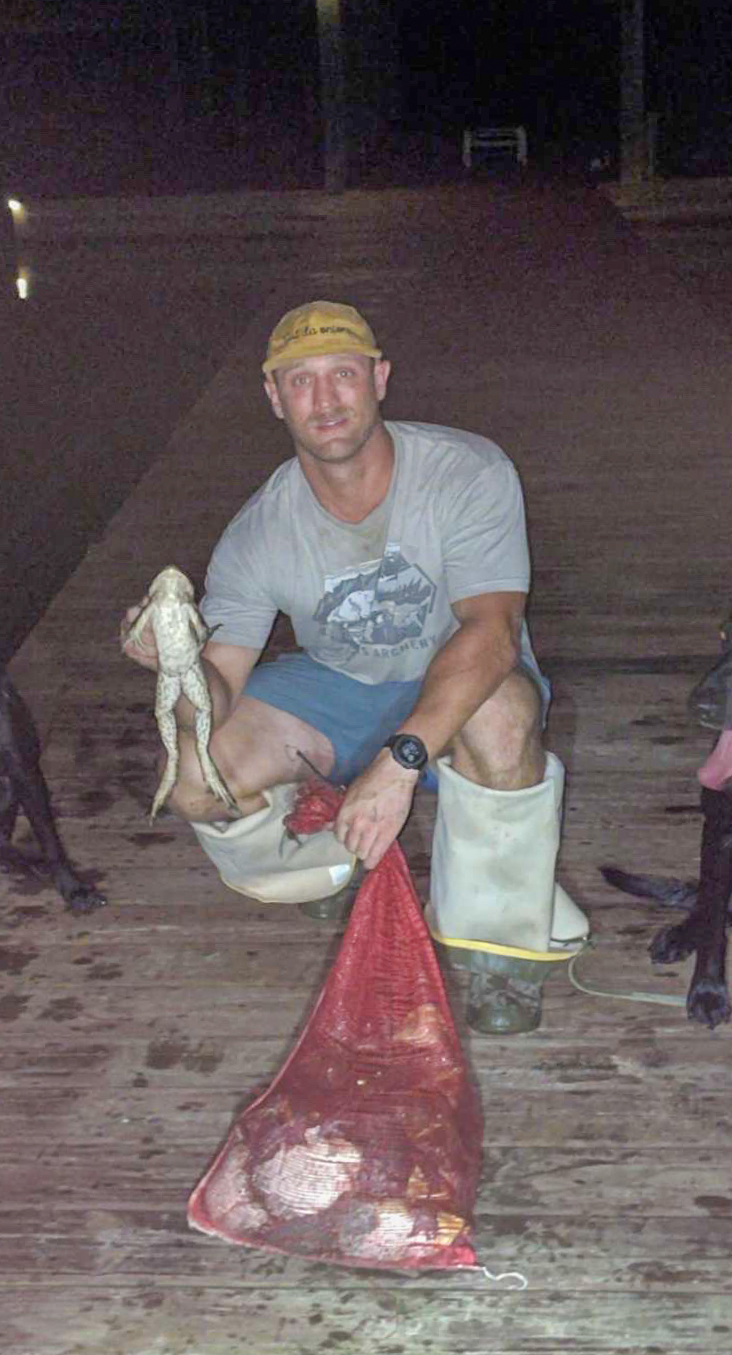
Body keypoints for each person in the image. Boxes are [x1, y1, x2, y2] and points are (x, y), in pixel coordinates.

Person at [121, 300, 588, 1033]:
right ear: (274, 398)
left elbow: (493, 634)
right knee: (194, 774)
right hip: (340, 684)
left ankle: (500, 949)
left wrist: (399, 763)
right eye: (300, 381)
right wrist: (172, 664)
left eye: (343, 374)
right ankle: (327, 864)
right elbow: (213, 691)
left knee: (501, 718)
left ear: (380, 379)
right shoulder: (257, 531)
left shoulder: (466, 470)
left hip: (455, 668)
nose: (326, 399)